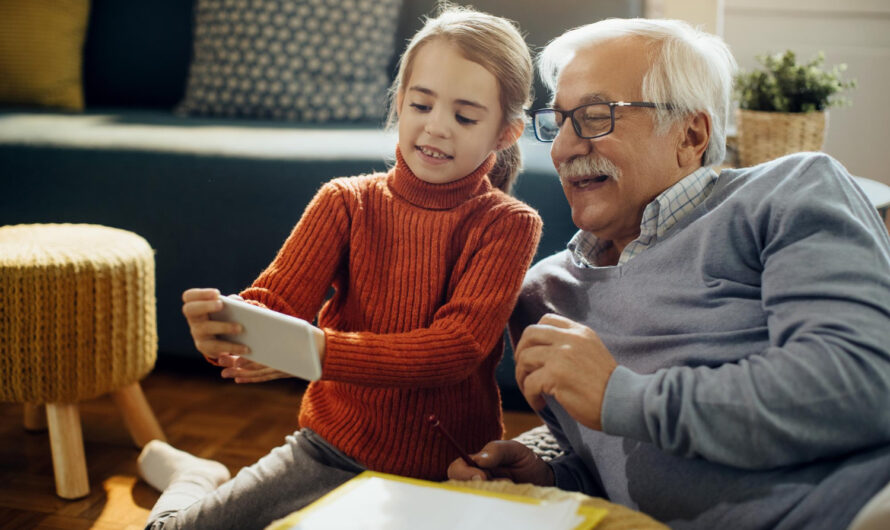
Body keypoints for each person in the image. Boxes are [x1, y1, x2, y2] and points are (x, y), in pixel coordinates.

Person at [447, 17, 890, 530]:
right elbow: (626, 470)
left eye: (595, 116)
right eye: (560, 121)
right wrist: (550, 477)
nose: (564, 149)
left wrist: (622, 396)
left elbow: (861, 385)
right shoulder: (543, 295)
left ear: (691, 133)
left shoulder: (790, 191)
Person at [137, 6, 542, 529]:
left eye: (465, 117)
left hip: (446, 472)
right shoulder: (346, 202)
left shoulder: (508, 224)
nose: (436, 127)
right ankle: (193, 476)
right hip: (328, 452)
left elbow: (455, 348)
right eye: (421, 104)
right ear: (399, 102)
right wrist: (231, 324)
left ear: (506, 133)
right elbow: (276, 300)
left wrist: (318, 353)